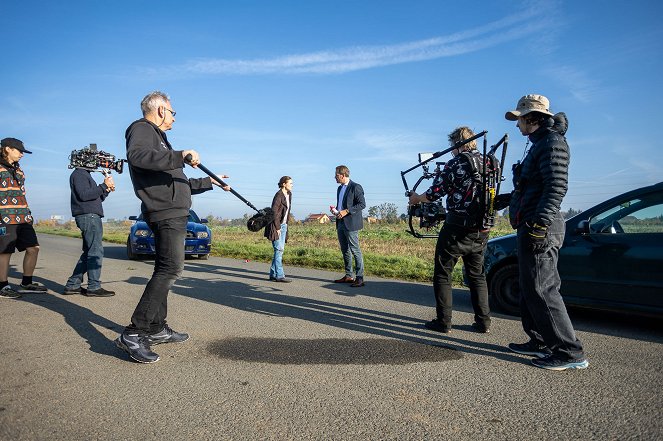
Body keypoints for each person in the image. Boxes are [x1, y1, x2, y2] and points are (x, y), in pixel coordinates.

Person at [114, 91, 230, 363]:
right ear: (161, 110)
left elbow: (179, 183)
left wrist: (208, 183)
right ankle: (134, 332)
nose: (174, 118)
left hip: (173, 211)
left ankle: (156, 328)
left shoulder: (161, 141)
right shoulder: (141, 129)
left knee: (164, 268)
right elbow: (138, 156)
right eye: (173, 112)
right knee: (170, 269)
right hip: (165, 213)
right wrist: (181, 155)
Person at [500, 94, 588, 371]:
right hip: (530, 222)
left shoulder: (552, 143)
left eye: (520, 119)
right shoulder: (538, 143)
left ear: (532, 118)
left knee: (543, 288)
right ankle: (540, 341)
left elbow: (556, 187)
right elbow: (532, 186)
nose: (517, 126)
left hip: (542, 226)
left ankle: (569, 353)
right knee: (530, 287)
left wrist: (540, 224)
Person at [408, 127, 492, 334]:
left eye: (452, 146)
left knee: (443, 273)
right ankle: (483, 322)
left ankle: (443, 322)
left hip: (457, 226)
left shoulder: (456, 162)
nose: (451, 150)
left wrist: (416, 198)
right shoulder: (490, 162)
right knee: (477, 276)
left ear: (458, 143)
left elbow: (436, 192)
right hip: (482, 227)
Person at [0, 137, 47, 299]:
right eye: (19, 151)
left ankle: (26, 282)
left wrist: (28, 213)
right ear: (7, 149)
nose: (22, 154)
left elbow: (22, 194)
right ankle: (3, 286)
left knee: (33, 248)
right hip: (4, 217)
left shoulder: (19, 171)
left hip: (23, 217)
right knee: (5, 252)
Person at [62, 167, 117, 297]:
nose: (97, 165)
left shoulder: (84, 174)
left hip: (90, 216)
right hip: (89, 217)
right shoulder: (79, 174)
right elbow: (84, 195)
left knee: (89, 252)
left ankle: (72, 285)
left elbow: (95, 198)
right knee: (95, 251)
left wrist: (106, 189)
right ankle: (94, 287)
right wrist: (103, 185)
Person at [331, 165, 366, 288]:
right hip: (340, 222)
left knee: (355, 250)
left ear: (343, 175)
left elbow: (362, 204)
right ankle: (349, 275)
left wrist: (346, 211)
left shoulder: (355, 187)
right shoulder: (339, 189)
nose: (334, 177)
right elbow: (341, 205)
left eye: (336, 175)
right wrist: (337, 211)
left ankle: (360, 277)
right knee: (344, 250)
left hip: (351, 223)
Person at [265, 176, 293, 283]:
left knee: (279, 251)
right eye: (290, 183)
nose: (292, 185)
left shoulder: (289, 194)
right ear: (284, 184)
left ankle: (273, 274)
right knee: (279, 249)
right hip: (276, 225)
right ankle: (280, 275)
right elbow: (274, 213)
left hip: (284, 225)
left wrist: (285, 224)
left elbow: (287, 211)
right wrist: (277, 227)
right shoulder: (278, 196)